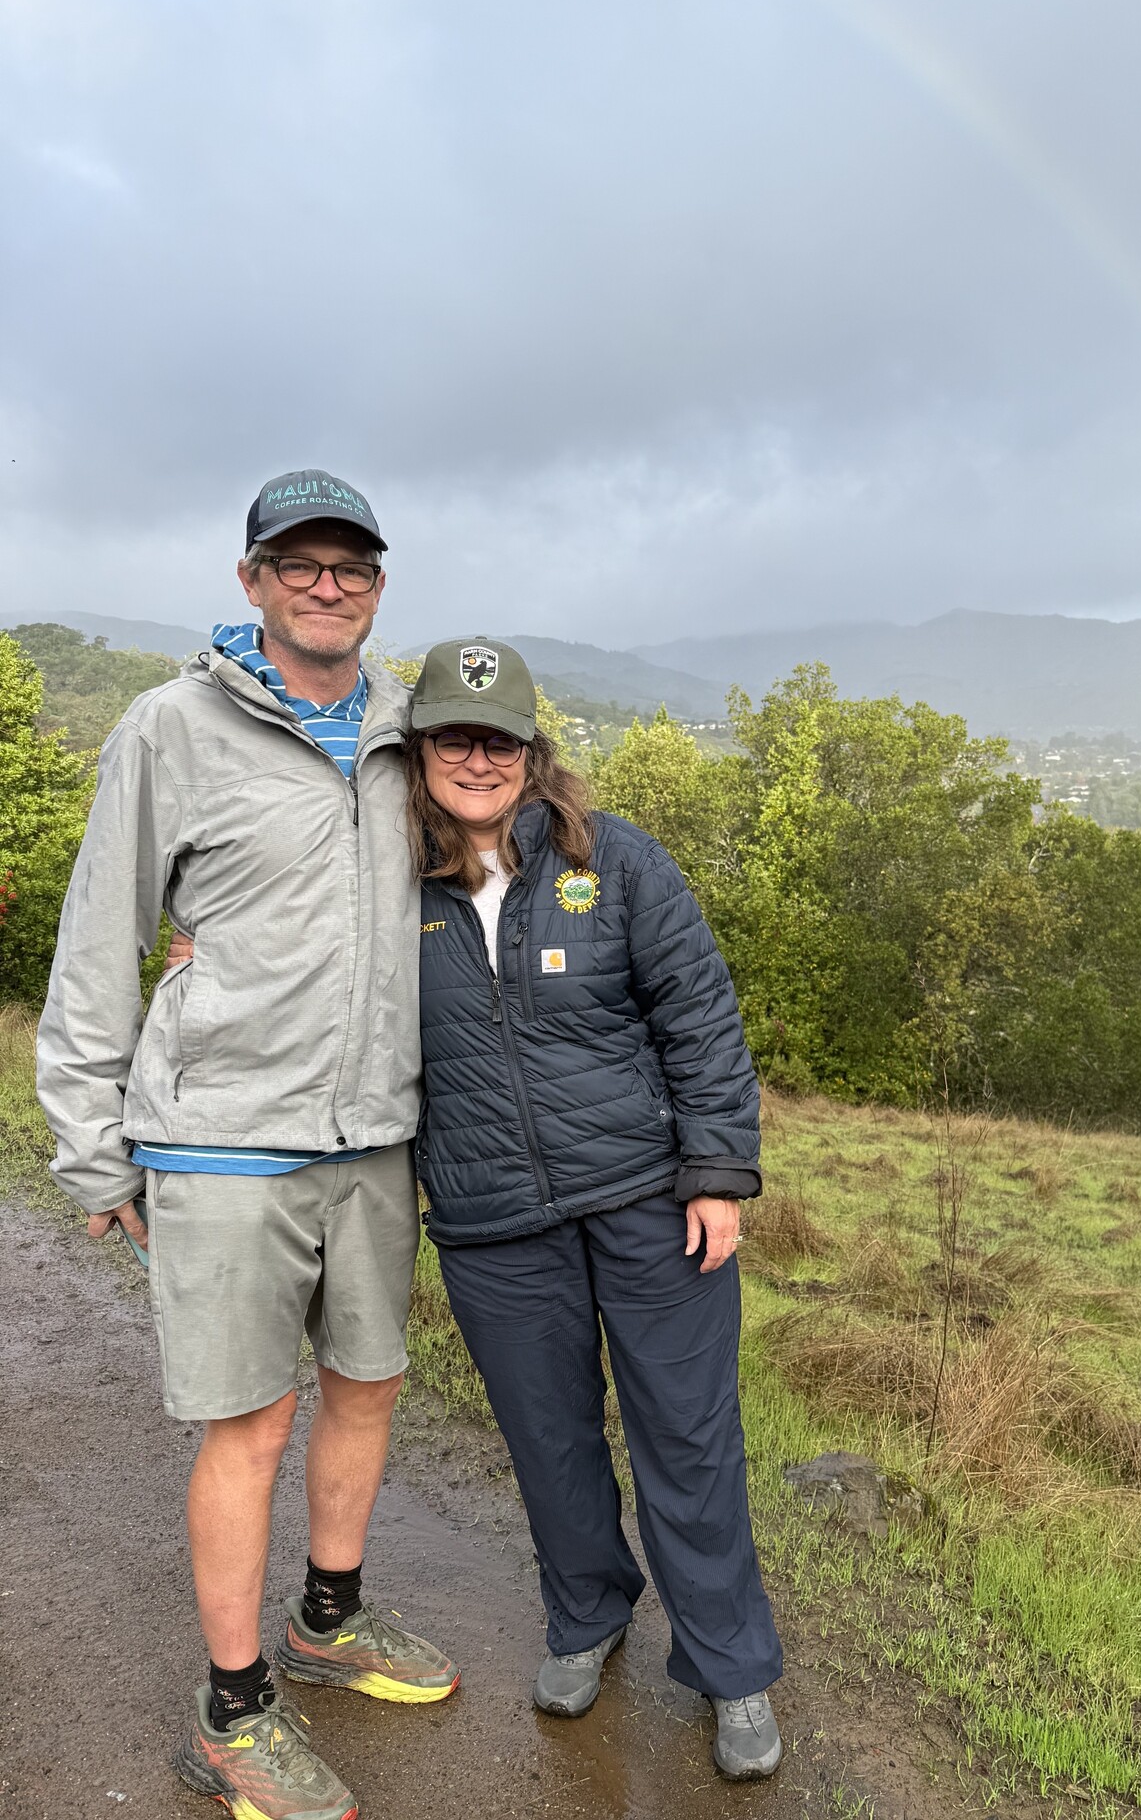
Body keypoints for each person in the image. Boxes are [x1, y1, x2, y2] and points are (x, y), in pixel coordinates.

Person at [37, 471, 458, 1820]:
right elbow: (101, 935)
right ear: (252, 580)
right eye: (300, 562)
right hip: (223, 1140)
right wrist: (91, 1143)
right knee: (249, 1426)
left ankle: (327, 1620)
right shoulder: (171, 727)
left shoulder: (409, 727)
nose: (327, 585)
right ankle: (230, 1713)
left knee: (371, 1380)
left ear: (380, 586)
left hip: (374, 1133)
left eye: (353, 566)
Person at [405, 637, 784, 1780]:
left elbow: (701, 1016)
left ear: (534, 749)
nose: (478, 757)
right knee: (550, 1441)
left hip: (648, 1206)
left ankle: (732, 1666)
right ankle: (588, 1615)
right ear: (420, 748)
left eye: (499, 736)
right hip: (491, 1222)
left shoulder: (613, 863)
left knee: (689, 1434)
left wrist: (717, 1170)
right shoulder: (382, 885)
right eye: (455, 735)